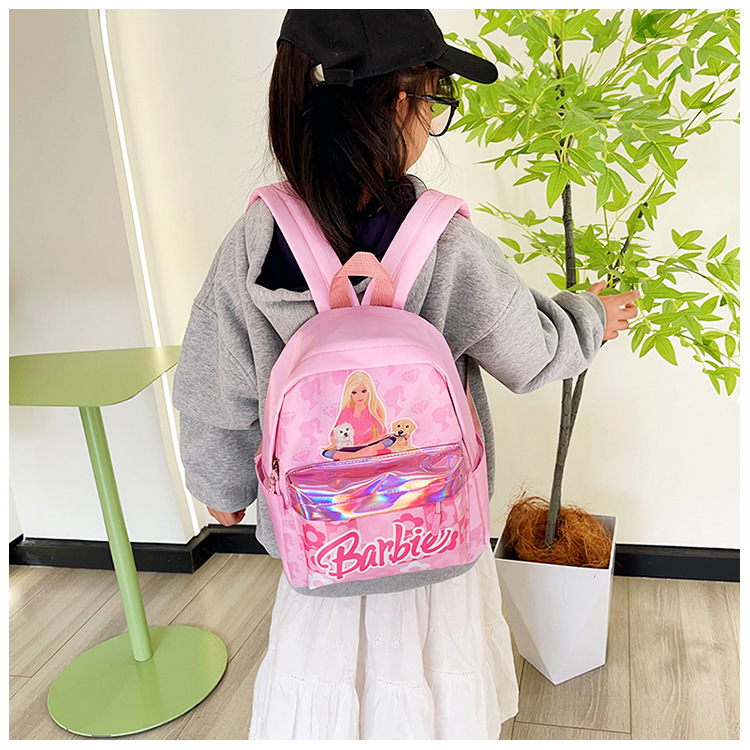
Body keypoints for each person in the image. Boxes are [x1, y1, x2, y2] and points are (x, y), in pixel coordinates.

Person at [171, 9, 640, 741]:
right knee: (438, 684)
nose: (433, 116)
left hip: (321, 550)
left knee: (327, 689)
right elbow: (529, 352)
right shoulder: (444, 240)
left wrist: (222, 490)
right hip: (435, 538)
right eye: (433, 97)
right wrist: (590, 319)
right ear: (397, 105)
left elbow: (216, 387)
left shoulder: (256, 241)